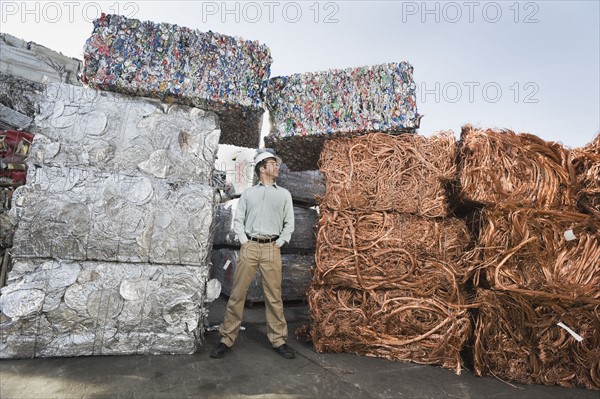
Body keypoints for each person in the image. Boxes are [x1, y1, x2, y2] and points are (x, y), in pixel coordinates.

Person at [210, 150, 295, 359]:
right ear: (262, 168)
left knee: (274, 297)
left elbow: (289, 223)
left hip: (271, 248)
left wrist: (281, 242)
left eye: (276, 164)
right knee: (237, 294)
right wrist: (244, 240)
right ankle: (226, 338)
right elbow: (238, 220)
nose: (277, 168)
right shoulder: (248, 194)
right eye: (273, 164)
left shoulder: (284, 194)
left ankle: (279, 340)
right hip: (249, 247)